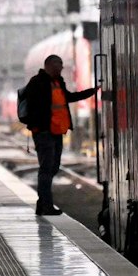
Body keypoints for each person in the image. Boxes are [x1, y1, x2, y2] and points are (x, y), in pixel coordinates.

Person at [20, 54, 96, 218]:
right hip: (44, 132)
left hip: (57, 131)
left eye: (61, 65)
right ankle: (46, 205)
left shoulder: (58, 82)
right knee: (46, 168)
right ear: (48, 66)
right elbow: (33, 107)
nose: (61, 68)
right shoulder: (37, 82)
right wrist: (38, 127)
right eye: (58, 65)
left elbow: (68, 97)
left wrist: (91, 92)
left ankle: (42, 203)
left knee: (54, 166)